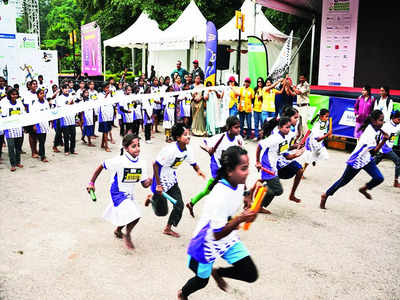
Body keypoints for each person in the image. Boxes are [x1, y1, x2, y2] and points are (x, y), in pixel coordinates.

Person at [178, 146, 258, 299]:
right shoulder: (219, 196)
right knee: (201, 281)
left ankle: (218, 272)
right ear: (229, 170)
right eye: (243, 168)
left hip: (227, 233)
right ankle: (183, 294)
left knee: (250, 273)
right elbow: (216, 234)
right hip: (206, 242)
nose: (247, 172)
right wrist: (241, 218)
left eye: (248, 167)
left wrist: (248, 196)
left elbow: (247, 189)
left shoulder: (239, 182)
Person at [87, 134, 152, 250]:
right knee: (135, 215)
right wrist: (91, 183)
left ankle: (118, 230)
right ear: (126, 148)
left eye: (138, 145)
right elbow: (102, 165)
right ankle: (127, 235)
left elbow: (144, 184)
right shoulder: (120, 161)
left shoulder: (142, 163)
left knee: (128, 213)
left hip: (129, 193)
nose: (137, 148)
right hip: (117, 191)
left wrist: (150, 181)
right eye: (133, 146)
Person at [146, 124, 205, 238]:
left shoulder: (187, 149)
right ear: (178, 138)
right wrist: (158, 185)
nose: (188, 137)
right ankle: (152, 198)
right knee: (161, 212)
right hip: (160, 182)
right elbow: (155, 165)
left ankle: (168, 228)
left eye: (188, 134)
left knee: (179, 205)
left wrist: (198, 170)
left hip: (172, 180)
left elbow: (192, 162)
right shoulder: (170, 150)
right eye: (185, 135)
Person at [320, 110, 387, 209]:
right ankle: (325, 195)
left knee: (379, 178)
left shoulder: (374, 127)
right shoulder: (369, 134)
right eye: (381, 120)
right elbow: (374, 152)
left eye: (383, 120)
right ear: (373, 121)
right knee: (343, 181)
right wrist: (384, 140)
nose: (382, 122)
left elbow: (371, 151)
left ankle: (364, 189)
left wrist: (383, 132)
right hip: (357, 160)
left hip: (367, 158)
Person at [187, 116, 243, 217]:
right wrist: (208, 149)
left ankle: (191, 203)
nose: (239, 129)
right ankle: (225, 216)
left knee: (209, 190)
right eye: (236, 127)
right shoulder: (220, 137)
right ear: (229, 128)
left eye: (239, 127)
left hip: (229, 169)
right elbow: (202, 143)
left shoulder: (239, 139)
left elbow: (241, 152)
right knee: (225, 190)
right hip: (217, 167)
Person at [256, 117, 303, 214]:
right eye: (286, 127)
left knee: (274, 189)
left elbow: (287, 155)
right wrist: (257, 162)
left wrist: (296, 154)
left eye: (289, 127)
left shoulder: (284, 139)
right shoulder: (275, 138)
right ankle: (261, 189)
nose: (288, 130)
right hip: (267, 164)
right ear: (280, 128)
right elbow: (260, 146)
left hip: (273, 165)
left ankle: (260, 205)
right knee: (278, 190)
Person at [276, 106, 305, 203]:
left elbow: (288, 146)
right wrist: (296, 154)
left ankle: (292, 194)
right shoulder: (281, 130)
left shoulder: (291, 130)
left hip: (283, 156)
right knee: (269, 183)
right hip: (276, 159)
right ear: (289, 118)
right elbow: (286, 154)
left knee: (300, 170)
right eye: (295, 117)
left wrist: (297, 145)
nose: (297, 120)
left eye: (297, 117)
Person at [302, 109, 332, 177]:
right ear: (321, 117)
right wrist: (327, 134)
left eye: (328, 116)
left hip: (319, 142)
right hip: (312, 142)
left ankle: (314, 159)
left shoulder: (326, 122)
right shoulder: (316, 125)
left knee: (323, 155)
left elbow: (323, 132)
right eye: (326, 116)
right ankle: (301, 173)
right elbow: (317, 139)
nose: (327, 118)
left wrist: (328, 134)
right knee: (308, 159)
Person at [375, 110, 400, 188]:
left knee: (372, 163)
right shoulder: (386, 126)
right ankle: (396, 181)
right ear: (393, 118)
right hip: (384, 147)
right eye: (399, 119)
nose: (399, 121)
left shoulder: (398, 125)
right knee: (398, 161)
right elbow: (381, 138)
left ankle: (361, 166)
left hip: (388, 147)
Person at [1, 89, 25, 171]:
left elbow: (23, 114)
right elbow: (3, 116)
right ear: (9, 95)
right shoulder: (5, 104)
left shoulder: (19, 103)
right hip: (9, 129)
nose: (14, 96)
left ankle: (18, 162)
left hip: (18, 128)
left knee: (18, 147)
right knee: (11, 147)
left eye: (16, 94)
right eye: (13, 94)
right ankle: (12, 164)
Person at [57, 84, 78, 156]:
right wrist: (69, 103)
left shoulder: (71, 96)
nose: (66, 90)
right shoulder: (60, 98)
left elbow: (75, 105)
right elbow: (62, 107)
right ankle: (66, 150)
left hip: (72, 119)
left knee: (73, 135)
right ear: (62, 89)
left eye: (68, 88)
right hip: (65, 119)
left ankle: (72, 149)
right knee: (66, 136)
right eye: (65, 88)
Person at [31, 89, 51, 162]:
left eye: (43, 93)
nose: (42, 95)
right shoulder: (35, 104)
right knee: (41, 141)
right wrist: (34, 125)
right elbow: (33, 115)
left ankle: (40, 152)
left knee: (43, 140)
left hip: (45, 123)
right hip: (38, 124)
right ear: (37, 95)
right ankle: (43, 156)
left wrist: (50, 121)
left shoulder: (46, 102)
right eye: (41, 93)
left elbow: (48, 112)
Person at [23, 80, 39, 158]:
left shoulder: (38, 94)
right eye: (33, 84)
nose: (35, 85)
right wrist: (29, 118)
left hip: (38, 116)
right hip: (31, 117)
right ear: (30, 86)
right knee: (32, 134)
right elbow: (26, 107)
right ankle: (33, 152)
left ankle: (36, 149)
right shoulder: (27, 95)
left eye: (36, 84)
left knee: (37, 134)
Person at [98, 84, 114, 152]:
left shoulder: (111, 94)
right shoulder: (100, 94)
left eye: (108, 88)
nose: (108, 89)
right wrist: (106, 95)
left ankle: (102, 144)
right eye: (106, 88)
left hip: (109, 114)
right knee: (105, 130)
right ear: (103, 88)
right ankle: (106, 146)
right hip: (103, 114)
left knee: (107, 129)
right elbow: (101, 102)